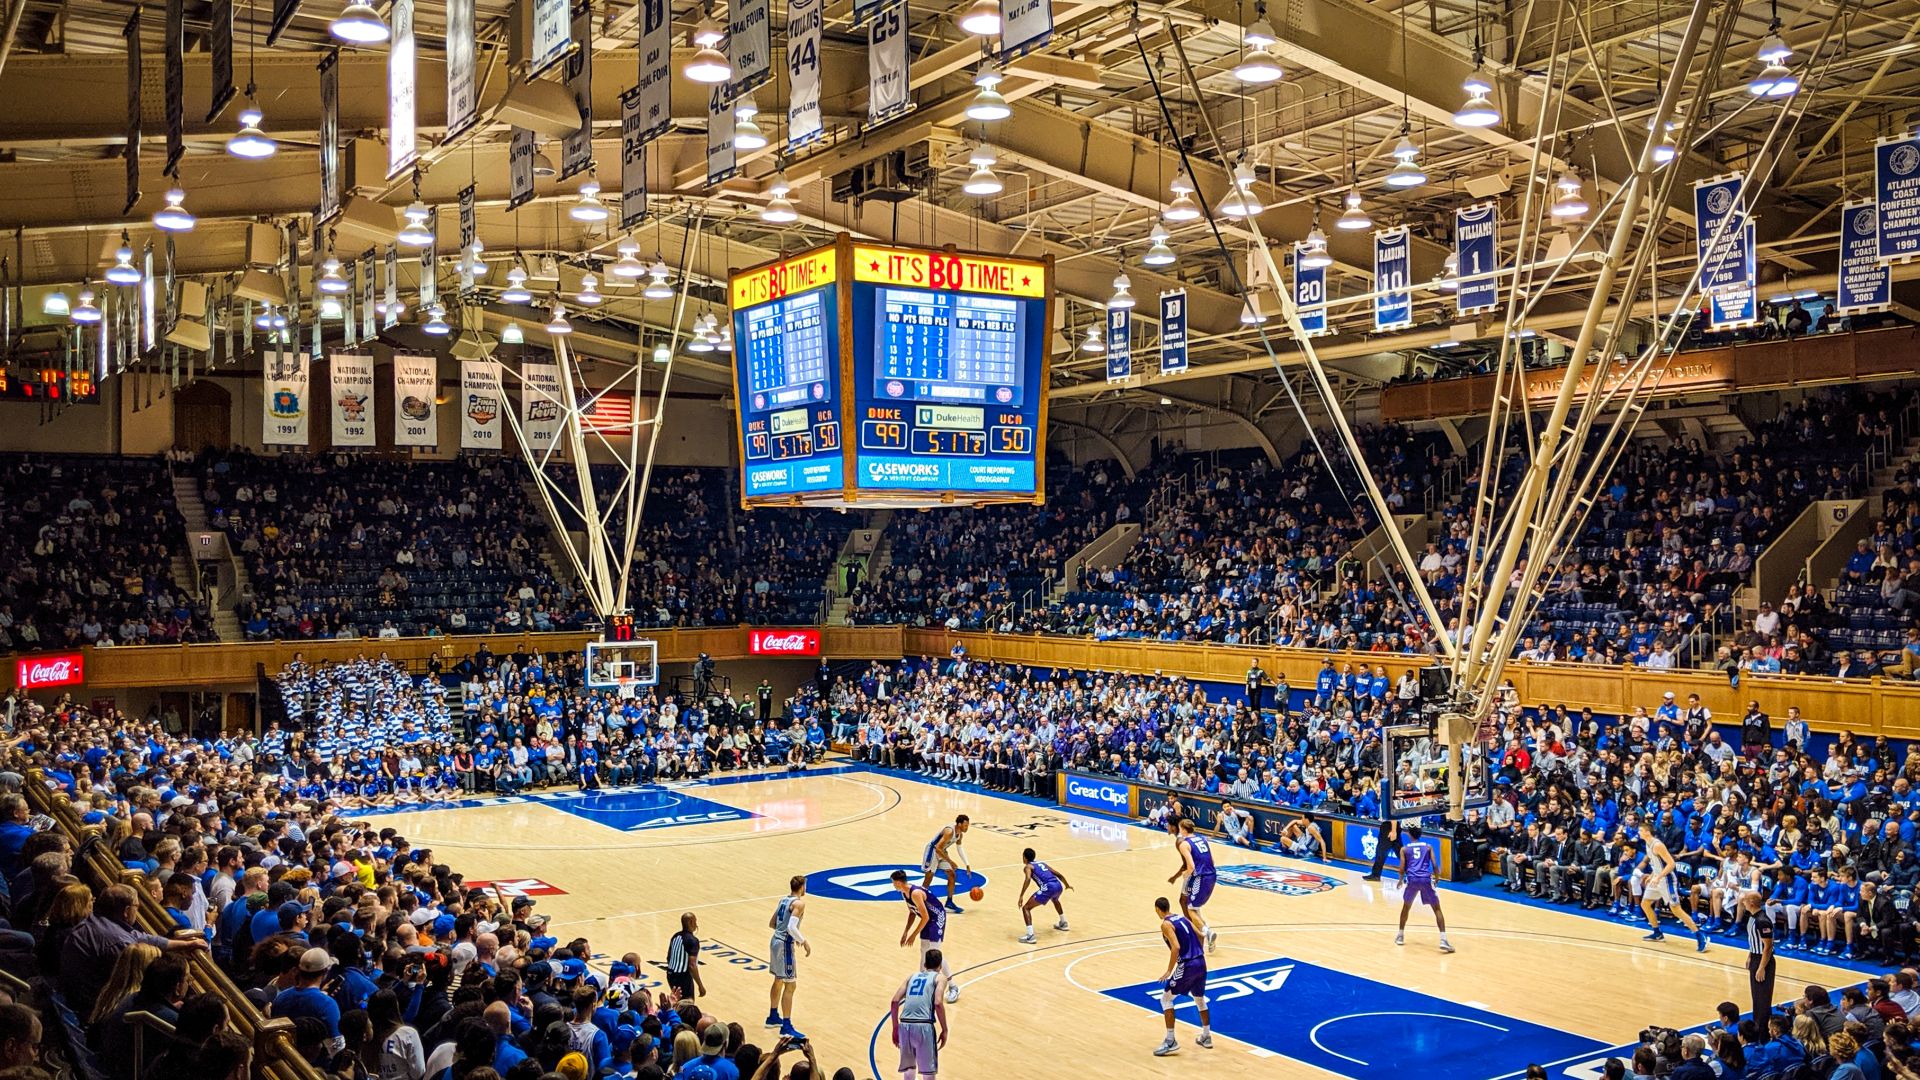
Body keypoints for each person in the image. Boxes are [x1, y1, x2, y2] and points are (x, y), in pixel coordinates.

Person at [1151, 896, 1211, 1057]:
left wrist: (1169, 970)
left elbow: (1176, 947)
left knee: (1165, 999)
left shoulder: (1166, 924)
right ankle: (1206, 1036)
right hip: (1201, 961)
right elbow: (1200, 934)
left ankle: (1170, 1040)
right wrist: (1198, 952)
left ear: (1157, 909)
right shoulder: (1182, 918)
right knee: (1199, 999)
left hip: (1187, 964)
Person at [1637, 821, 1708, 951]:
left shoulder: (1657, 845)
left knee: (1676, 909)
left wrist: (1658, 877)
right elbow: (1656, 863)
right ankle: (1657, 933)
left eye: (1640, 831)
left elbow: (1671, 864)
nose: (1638, 833)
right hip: (1657, 879)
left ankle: (1700, 935)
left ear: (1647, 832)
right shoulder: (1647, 844)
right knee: (1645, 904)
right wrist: (1652, 875)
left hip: (1667, 880)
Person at [891, 870, 959, 1003]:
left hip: (936, 917)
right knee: (923, 951)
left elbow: (926, 916)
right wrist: (906, 931)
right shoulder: (904, 893)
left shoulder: (915, 893)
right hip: (926, 918)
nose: (893, 885)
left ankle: (953, 987)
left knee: (935, 953)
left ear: (899, 883)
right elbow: (912, 912)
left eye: (893, 883)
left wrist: (913, 935)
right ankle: (923, 987)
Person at [888, 948, 949, 1080]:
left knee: (909, 1072)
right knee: (928, 1075)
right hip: (923, 1026)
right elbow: (938, 1003)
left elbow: (894, 1001)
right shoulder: (940, 978)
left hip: (905, 1025)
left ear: (925, 965)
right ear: (940, 966)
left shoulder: (912, 976)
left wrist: (895, 1028)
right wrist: (944, 1029)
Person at [1394, 824, 1454, 953]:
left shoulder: (1404, 849)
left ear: (1409, 834)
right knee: (1437, 908)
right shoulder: (1428, 847)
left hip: (1412, 880)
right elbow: (1435, 864)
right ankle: (1443, 940)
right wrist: (1437, 877)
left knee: (1406, 907)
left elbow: (1402, 868)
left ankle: (1400, 935)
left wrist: (1400, 880)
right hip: (1426, 879)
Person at [764, 876, 810, 1041]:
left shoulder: (783, 900)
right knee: (790, 985)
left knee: (778, 980)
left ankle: (772, 1016)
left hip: (775, 941)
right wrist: (802, 940)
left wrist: (787, 932)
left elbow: (772, 923)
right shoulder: (799, 903)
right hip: (784, 946)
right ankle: (786, 1026)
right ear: (802, 887)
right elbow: (791, 927)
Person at [1168, 818, 1218, 953]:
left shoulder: (1184, 844)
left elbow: (1191, 866)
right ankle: (1203, 931)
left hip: (1199, 877)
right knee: (1195, 907)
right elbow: (1212, 860)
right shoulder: (1203, 839)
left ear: (1183, 829)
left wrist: (1186, 875)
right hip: (1212, 874)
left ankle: (1207, 932)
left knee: (1190, 909)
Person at [1015, 848, 1071, 944]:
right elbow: (1058, 874)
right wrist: (1067, 885)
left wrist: (1021, 895)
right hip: (1058, 885)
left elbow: (1028, 879)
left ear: (1024, 857)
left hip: (1048, 887)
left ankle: (1030, 936)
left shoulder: (1028, 867)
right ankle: (1063, 923)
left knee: (1026, 908)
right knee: (1055, 900)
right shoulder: (1042, 863)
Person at [1740, 892, 1776, 1028]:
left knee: (1762, 999)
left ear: (1752, 903)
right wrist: (1750, 956)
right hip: (1755, 957)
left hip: (1764, 960)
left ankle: (1763, 1031)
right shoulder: (1752, 917)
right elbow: (1753, 941)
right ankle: (1758, 1027)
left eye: (1745, 901)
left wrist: (1761, 967)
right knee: (1756, 997)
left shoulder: (1762, 921)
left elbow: (1768, 946)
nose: (1743, 903)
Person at [921, 816, 970, 913]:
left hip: (942, 852)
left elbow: (959, 848)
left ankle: (949, 903)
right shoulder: (949, 831)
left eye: (967, 825)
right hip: (933, 851)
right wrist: (951, 862)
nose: (967, 828)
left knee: (952, 875)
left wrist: (967, 864)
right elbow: (937, 848)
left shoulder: (959, 835)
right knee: (929, 877)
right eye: (965, 825)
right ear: (959, 824)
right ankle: (920, 901)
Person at [668, 912, 707, 1004]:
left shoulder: (675, 936)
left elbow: (669, 957)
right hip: (683, 977)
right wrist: (700, 985)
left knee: (677, 1001)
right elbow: (692, 965)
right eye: (695, 921)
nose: (696, 924)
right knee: (687, 1004)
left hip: (670, 974)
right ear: (691, 922)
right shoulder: (693, 941)